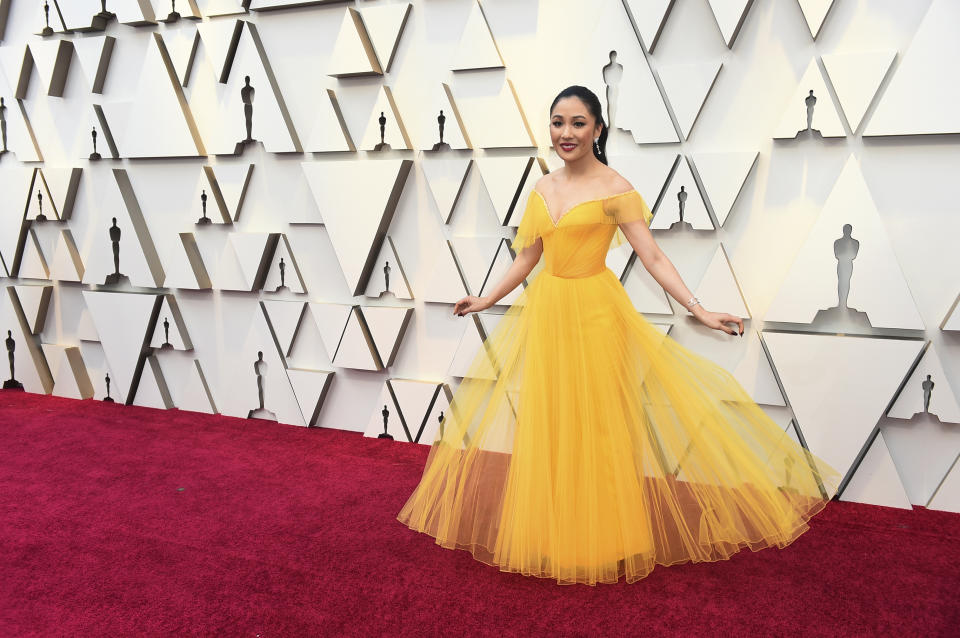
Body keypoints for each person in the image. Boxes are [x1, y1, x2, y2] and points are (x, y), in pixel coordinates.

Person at [396, 85, 841, 586]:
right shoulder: (542, 188)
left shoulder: (616, 188)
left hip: (597, 313)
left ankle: (603, 537)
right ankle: (553, 530)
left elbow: (652, 257)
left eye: (578, 123)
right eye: (558, 122)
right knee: (552, 420)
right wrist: (485, 299)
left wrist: (699, 310)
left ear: (598, 129)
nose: (566, 133)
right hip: (547, 312)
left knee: (599, 424)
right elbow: (527, 257)